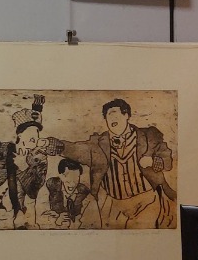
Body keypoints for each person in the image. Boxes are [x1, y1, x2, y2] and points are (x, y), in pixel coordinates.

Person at [41, 98, 175, 229]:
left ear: (126, 115)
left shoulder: (148, 136)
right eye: (108, 116)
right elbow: (75, 149)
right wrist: (49, 144)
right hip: (113, 205)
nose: (111, 119)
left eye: (114, 114)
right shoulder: (98, 144)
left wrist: (155, 161)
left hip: (145, 201)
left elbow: (166, 157)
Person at [0, 96, 47, 229]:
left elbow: (34, 192)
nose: (34, 137)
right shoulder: (1, 149)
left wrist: (24, 168)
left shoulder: (39, 159)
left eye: (37, 133)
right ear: (20, 135)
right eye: (30, 133)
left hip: (15, 214)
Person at [40, 157, 102, 230]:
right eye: (68, 178)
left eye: (76, 178)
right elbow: (39, 218)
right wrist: (56, 221)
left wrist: (74, 223)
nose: (72, 183)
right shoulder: (49, 188)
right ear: (61, 176)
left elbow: (95, 223)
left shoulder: (86, 195)